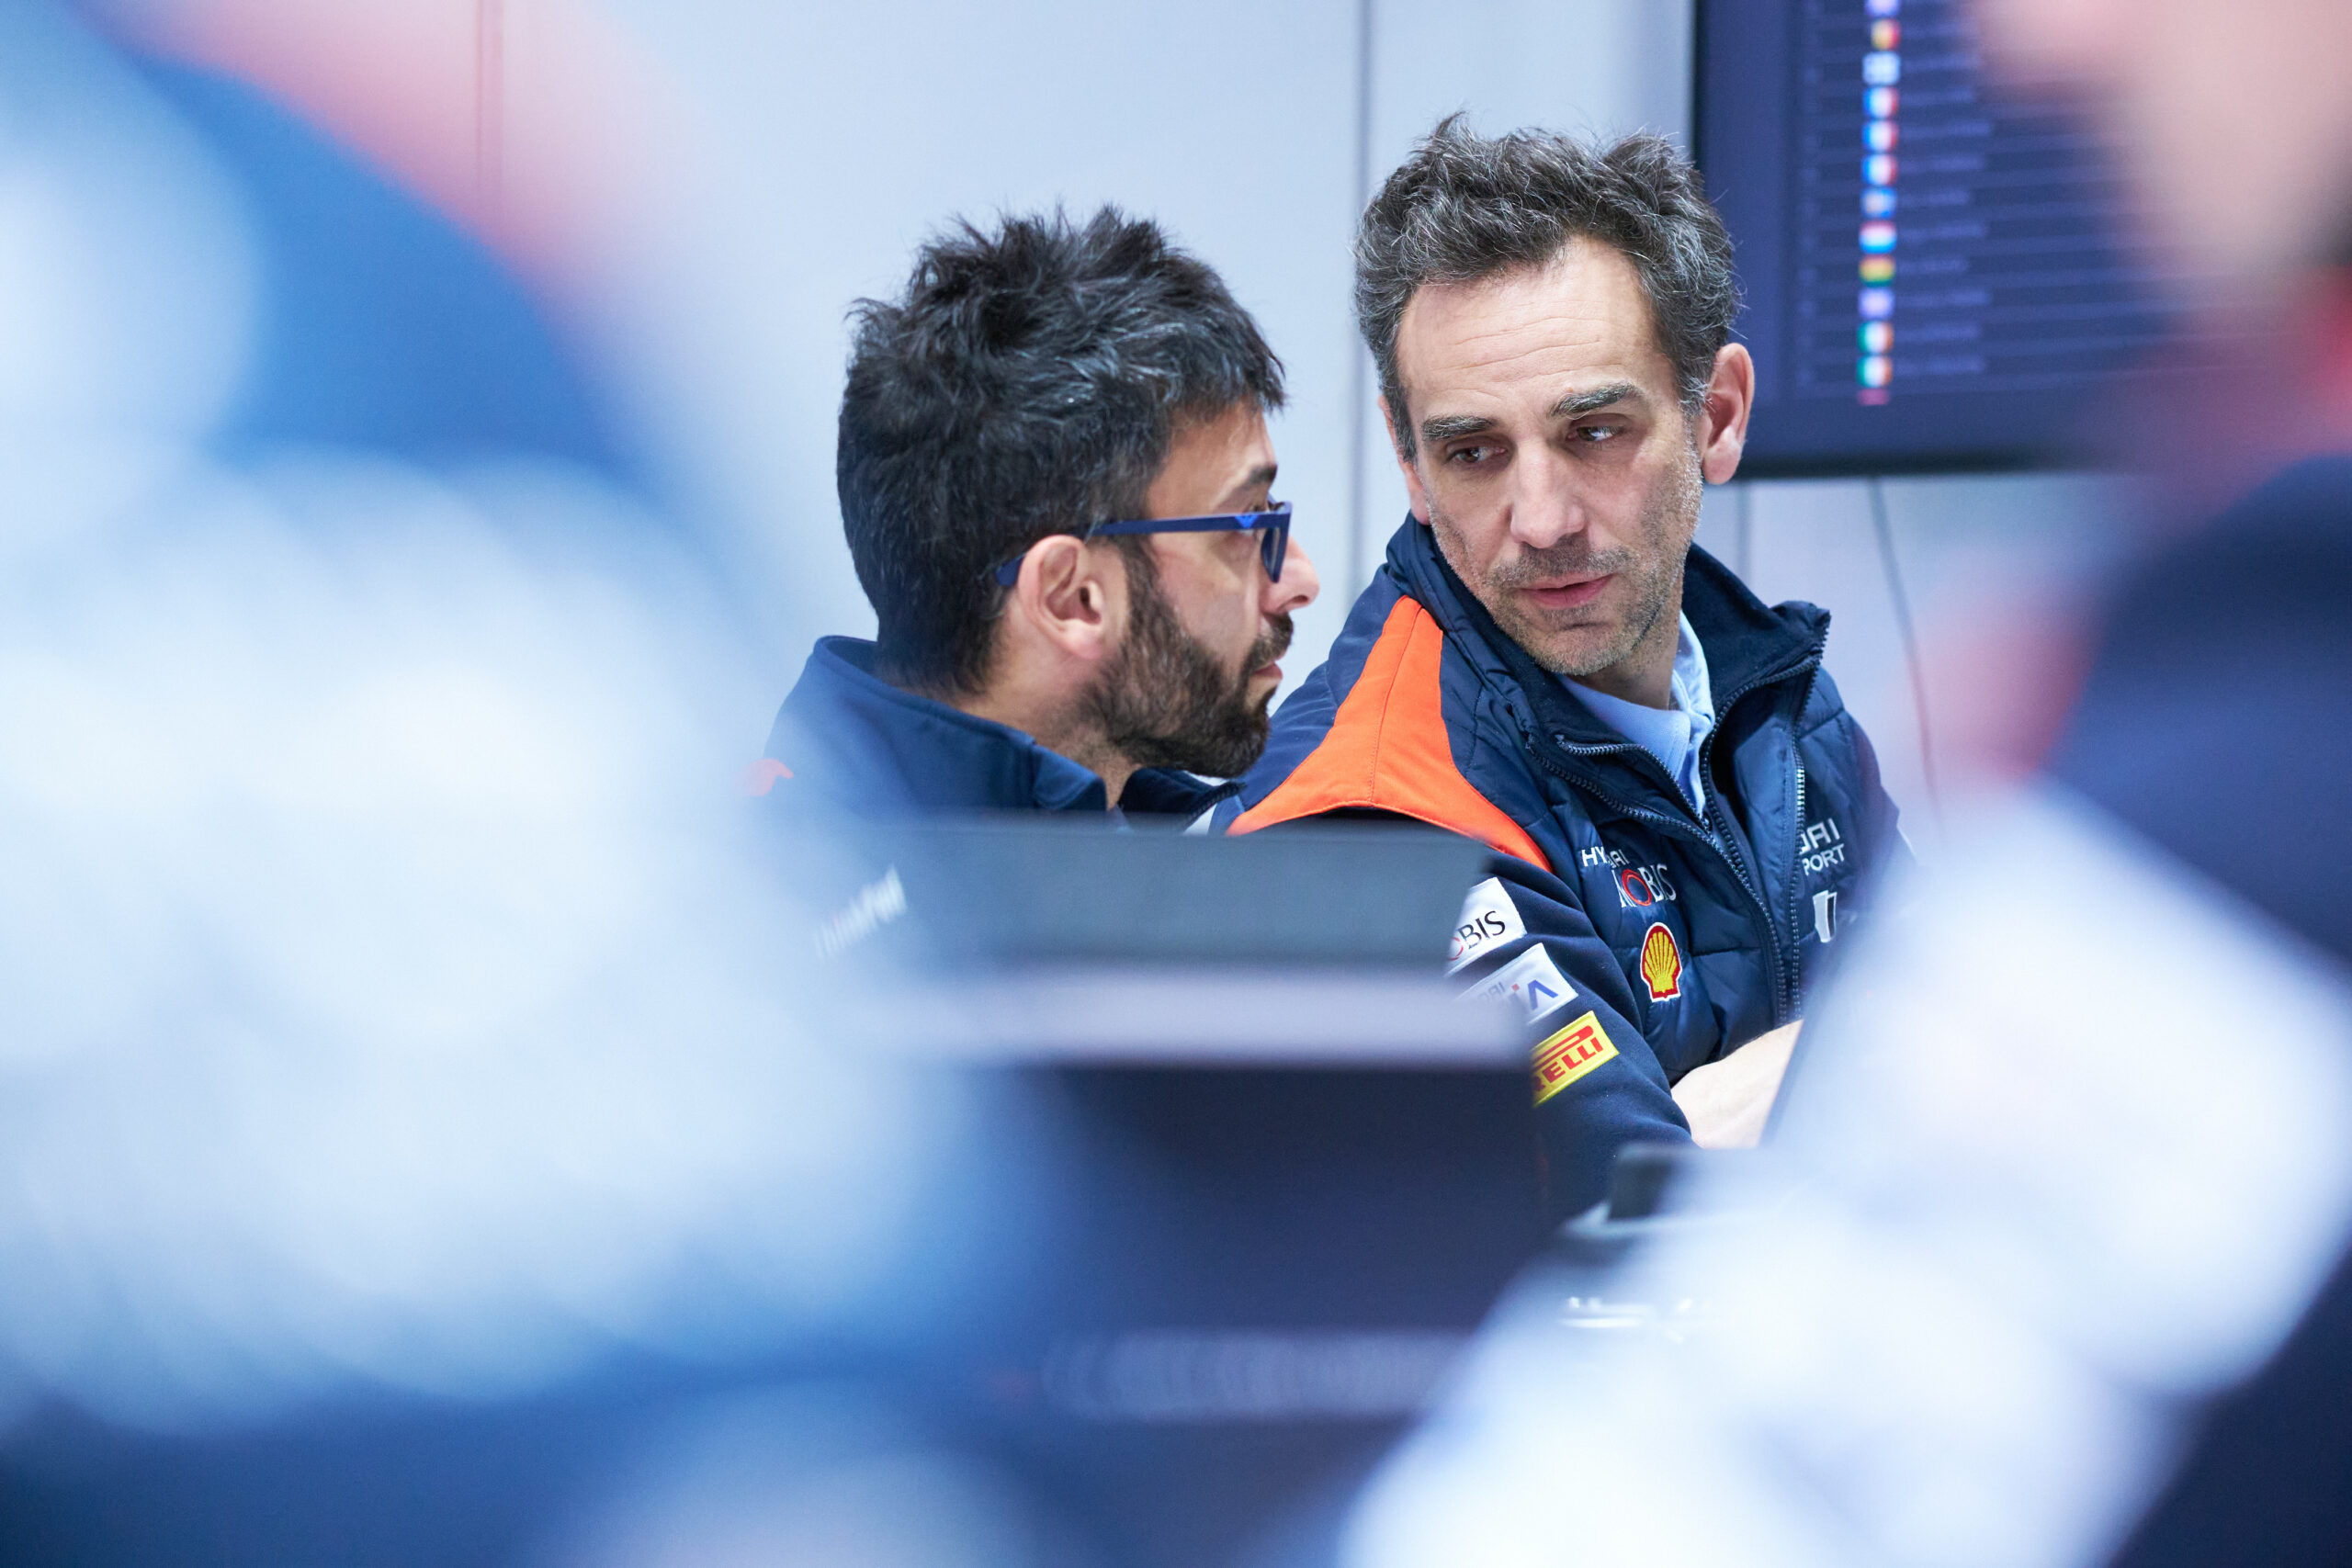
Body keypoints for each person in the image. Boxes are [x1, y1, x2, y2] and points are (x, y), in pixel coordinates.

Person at [1229, 121, 1904, 1214]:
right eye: (1472, 452)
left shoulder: (1780, 701)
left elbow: (1990, 1058)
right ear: (1410, 465)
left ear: (1716, 416)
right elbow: (1629, 1216)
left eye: (1593, 432)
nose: (1539, 520)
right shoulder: (1376, 811)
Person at [753, 208, 1319, 825]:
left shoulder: (1149, 840)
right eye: (1245, 524)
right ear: (1069, 597)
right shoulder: (775, 881)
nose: (1299, 579)